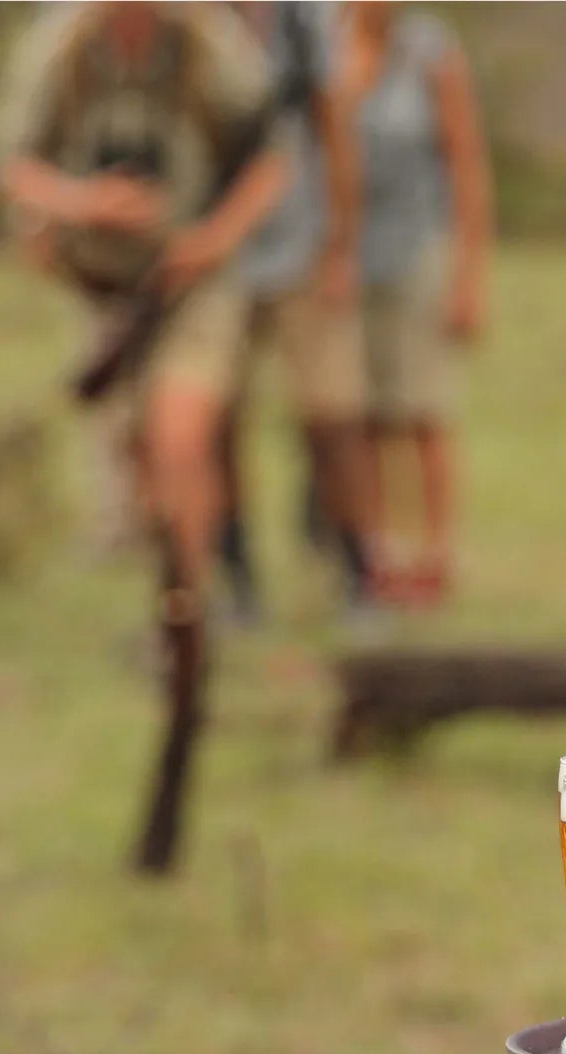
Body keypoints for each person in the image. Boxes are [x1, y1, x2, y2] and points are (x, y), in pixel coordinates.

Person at [0, 1, 288, 606]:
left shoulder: (207, 44)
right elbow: (15, 164)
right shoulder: (62, 47)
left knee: (181, 432)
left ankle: (190, 610)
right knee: (137, 451)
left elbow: (272, 157)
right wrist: (84, 203)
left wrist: (214, 241)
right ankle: (174, 594)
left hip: (190, 277)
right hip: (105, 288)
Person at [215, 1, 379, 623]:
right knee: (216, 421)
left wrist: (342, 244)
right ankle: (236, 580)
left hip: (301, 244)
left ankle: (358, 576)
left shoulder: (301, 19)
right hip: (215, 256)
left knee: (334, 416)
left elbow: (336, 127)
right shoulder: (188, 23)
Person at [333, 1, 491, 608]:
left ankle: (436, 554)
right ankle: (378, 556)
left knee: (424, 409)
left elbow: (467, 165)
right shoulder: (324, 49)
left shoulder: (431, 52)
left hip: (419, 250)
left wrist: (470, 277)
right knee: (364, 415)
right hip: (348, 258)